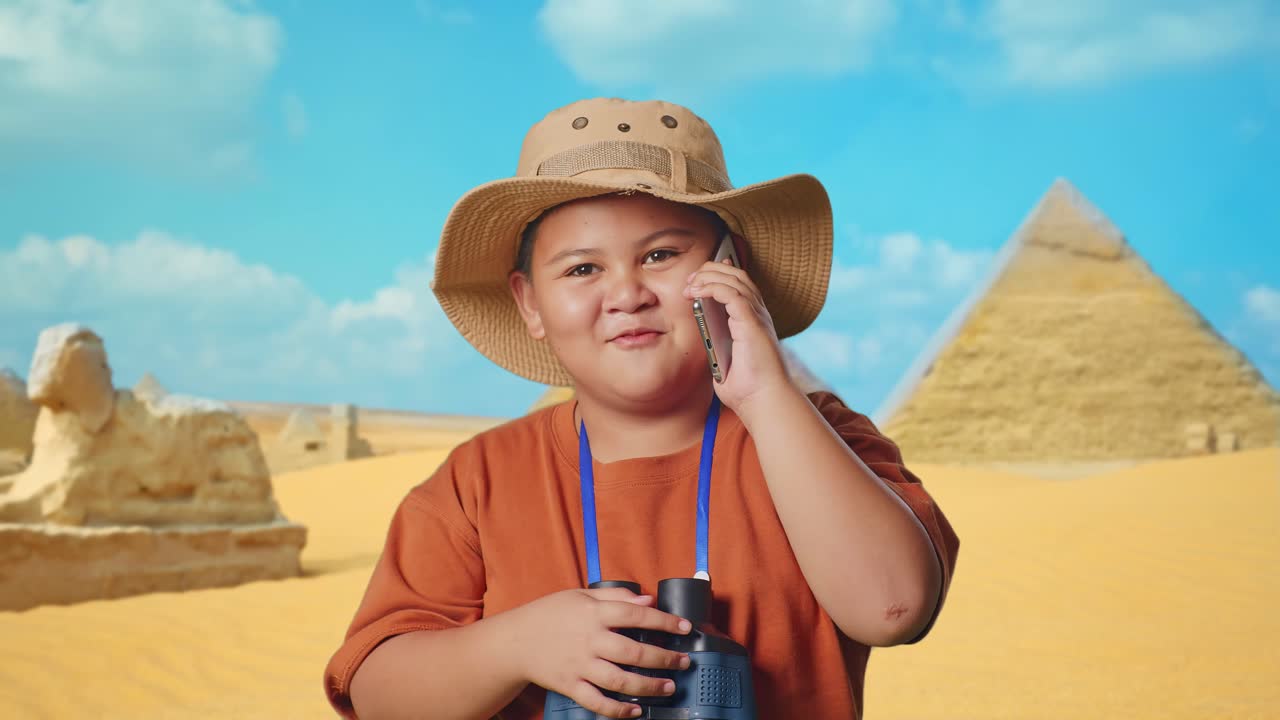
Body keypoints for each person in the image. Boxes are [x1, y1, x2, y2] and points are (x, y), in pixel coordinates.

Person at [323, 97, 959, 720]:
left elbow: (892, 609)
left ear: (732, 268)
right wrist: (516, 645)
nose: (626, 293)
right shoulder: (477, 483)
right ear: (530, 305)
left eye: (660, 256)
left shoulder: (823, 439)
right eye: (580, 270)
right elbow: (377, 695)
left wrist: (768, 397)